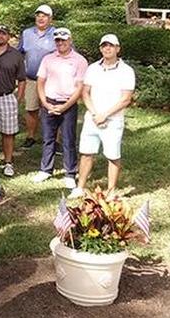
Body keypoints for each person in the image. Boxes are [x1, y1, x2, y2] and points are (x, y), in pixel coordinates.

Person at [75, 33, 135, 197]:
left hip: (113, 121)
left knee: (112, 156)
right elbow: (85, 93)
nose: (107, 48)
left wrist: (105, 115)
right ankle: (80, 187)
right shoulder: (93, 68)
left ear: (117, 49)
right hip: (92, 118)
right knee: (86, 153)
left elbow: (125, 99)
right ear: (101, 48)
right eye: (104, 45)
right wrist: (95, 114)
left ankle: (111, 191)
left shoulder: (126, 71)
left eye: (111, 45)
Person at [32, 27, 87, 190]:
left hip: (68, 104)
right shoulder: (48, 59)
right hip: (49, 102)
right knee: (48, 138)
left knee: (68, 139)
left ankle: (70, 173)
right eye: (58, 40)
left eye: (64, 40)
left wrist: (64, 107)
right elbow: (40, 82)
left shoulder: (79, 60)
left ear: (70, 40)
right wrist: (45, 103)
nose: (61, 43)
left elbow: (79, 88)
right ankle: (45, 169)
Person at [0, 24, 26, 177]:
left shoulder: (16, 55)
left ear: (8, 36)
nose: (0, 36)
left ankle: (8, 162)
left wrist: (19, 98)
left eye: (3, 33)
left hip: (7, 96)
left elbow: (22, 79)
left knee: (8, 132)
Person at [19, 4, 57, 148]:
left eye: (45, 16)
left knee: (52, 109)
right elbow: (19, 52)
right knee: (31, 108)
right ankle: (31, 136)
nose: (41, 18)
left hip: (52, 80)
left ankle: (54, 139)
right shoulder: (27, 33)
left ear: (50, 19)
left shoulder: (57, 33)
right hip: (31, 78)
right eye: (38, 15)